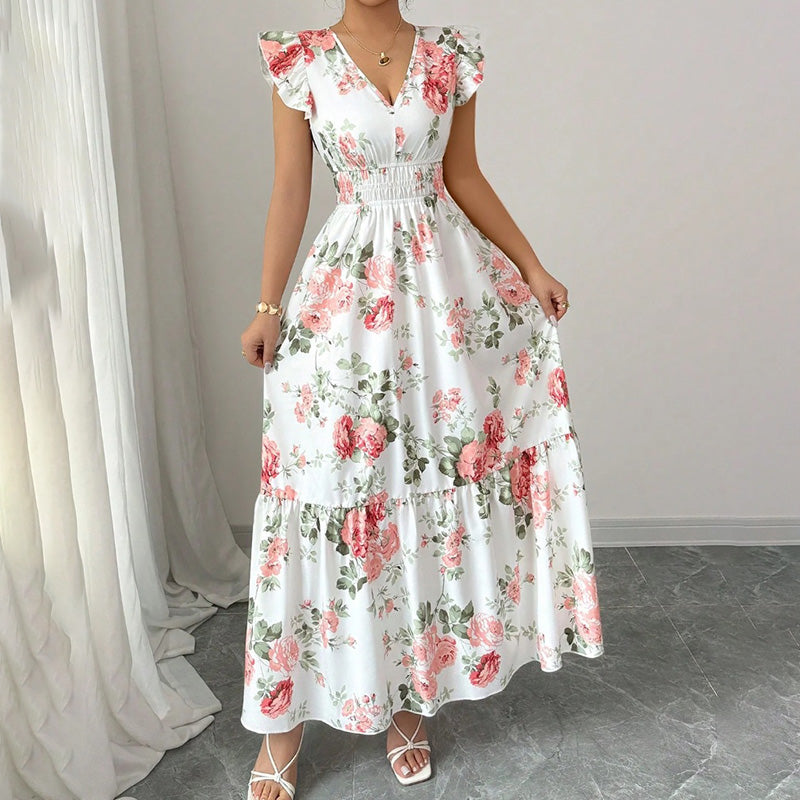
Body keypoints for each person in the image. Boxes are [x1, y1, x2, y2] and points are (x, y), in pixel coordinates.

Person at [240, 1, 605, 797]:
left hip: (444, 299)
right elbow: (290, 193)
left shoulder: (451, 54)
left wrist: (532, 266)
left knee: (420, 486)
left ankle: (406, 699)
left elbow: (462, 176)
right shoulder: (298, 58)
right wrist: (269, 306)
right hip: (345, 303)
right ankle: (280, 726)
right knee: (330, 492)